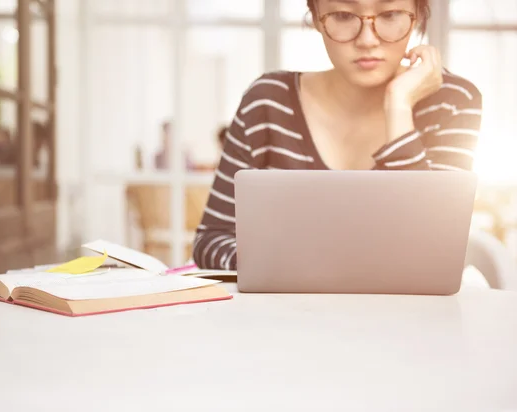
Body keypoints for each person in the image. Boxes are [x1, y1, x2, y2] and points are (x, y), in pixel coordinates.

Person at [192, 0, 483, 270]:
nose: (367, 40)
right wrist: (308, 273)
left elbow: (431, 256)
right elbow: (212, 240)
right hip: (287, 320)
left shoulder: (452, 101)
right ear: (317, 16)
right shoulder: (268, 101)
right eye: (344, 15)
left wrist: (399, 106)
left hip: (407, 322)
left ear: (418, 13)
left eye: (390, 14)